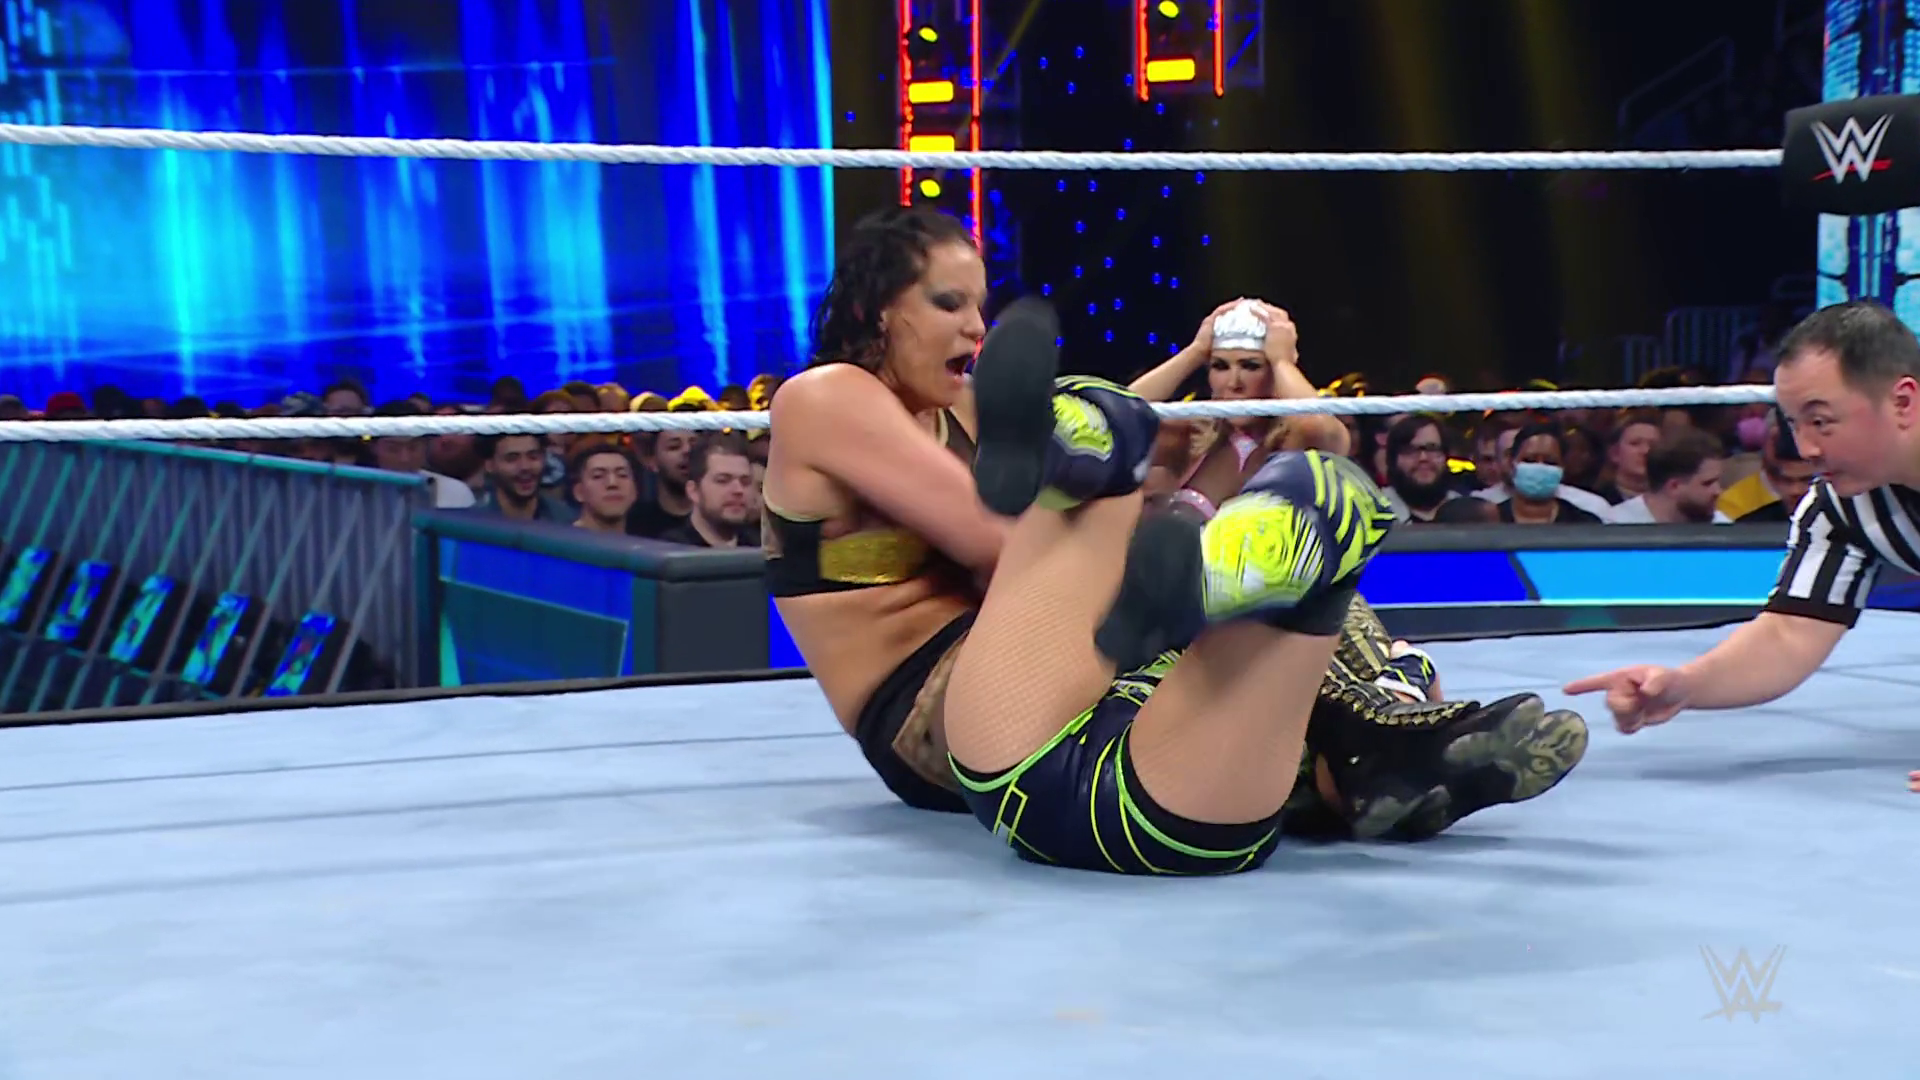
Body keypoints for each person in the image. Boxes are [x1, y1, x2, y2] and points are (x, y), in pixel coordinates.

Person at [764, 205, 1588, 873]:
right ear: (879, 311)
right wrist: (1147, 501)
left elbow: (1079, 482)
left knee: (1268, 603)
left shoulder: (962, 406)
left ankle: (1377, 747)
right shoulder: (827, 396)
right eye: (949, 305)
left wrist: (1177, 425)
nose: (977, 328)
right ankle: (1382, 724)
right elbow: (996, 537)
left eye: (982, 306)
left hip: (1032, 645)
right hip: (929, 706)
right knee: (1187, 583)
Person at [1562, 300, 1920, 793]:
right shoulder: (1843, 505)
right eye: (1793, 423)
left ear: (1902, 402)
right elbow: (1790, 632)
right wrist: (1685, 684)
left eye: (1821, 421)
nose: (1806, 448)